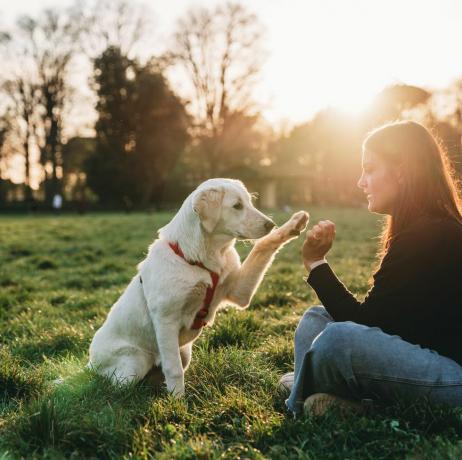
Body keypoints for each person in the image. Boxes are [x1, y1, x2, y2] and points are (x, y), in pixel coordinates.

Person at [280, 120, 462, 417]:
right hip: (424, 353)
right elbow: (387, 324)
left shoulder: (432, 233)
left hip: (454, 379)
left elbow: (366, 324)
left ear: (401, 171)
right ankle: (326, 394)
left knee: (339, 339)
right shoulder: (418, 229)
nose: (360, 182)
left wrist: (316, 264)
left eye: (370, 169)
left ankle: (303, 397)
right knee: (316, 319)